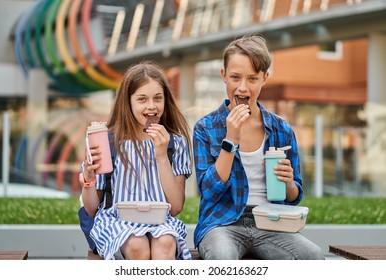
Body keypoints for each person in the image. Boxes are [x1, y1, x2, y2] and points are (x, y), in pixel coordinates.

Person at [192, 35, 325, 260]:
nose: (243, 87)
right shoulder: (205, 128)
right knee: (222, 257)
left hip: (271, 223)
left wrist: (289, 183)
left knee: (312, 256)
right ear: (224, 76)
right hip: (222, 223)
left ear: (264, 78)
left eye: (252, 79)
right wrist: (230, 141)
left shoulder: (282, 129)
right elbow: (207, 191)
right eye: (235, 77)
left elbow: (294, 196)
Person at [80, 61, 193, 260]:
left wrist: (161, 155)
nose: (152, 106)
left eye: (158, 98)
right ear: (128, 102)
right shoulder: (108, 141)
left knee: (166, 243)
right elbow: (91, 207)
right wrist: (89, 177)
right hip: (115, 221)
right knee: (136, 244)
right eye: (142, 99)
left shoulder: (175, 143)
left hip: (160, 221)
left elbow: (175, 207)